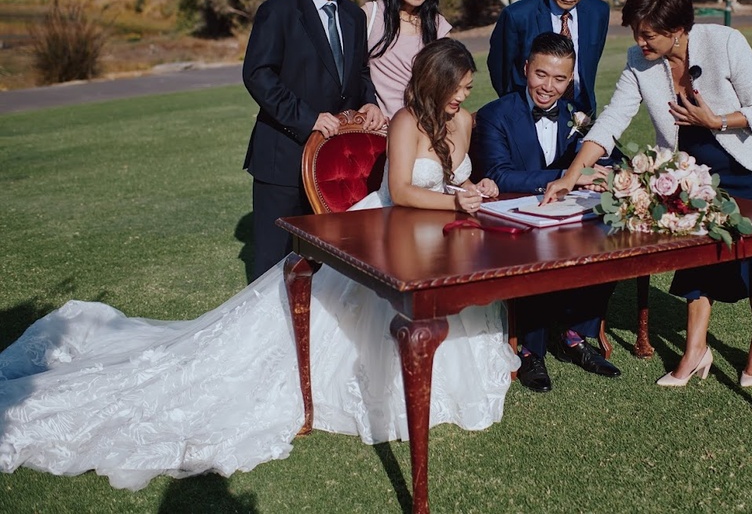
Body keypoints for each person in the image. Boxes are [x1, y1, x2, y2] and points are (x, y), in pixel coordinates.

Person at [0, 38, 517, 490]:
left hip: (441, 235)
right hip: (384, 230)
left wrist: (476, 190)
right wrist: (456, 202)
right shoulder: (406, 122)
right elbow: (402, 190)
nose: (463, 98)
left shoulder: (465, 120)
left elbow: (454, 180)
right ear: (434, 82)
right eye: (458, 87)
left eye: (468, 89)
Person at [543, 0, 752, 389]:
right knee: (694, 244)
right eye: (636, 32)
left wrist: (717, 121)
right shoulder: (640, 61)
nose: (640, 41)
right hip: (692, 167)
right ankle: (695, 349)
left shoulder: (725, 41)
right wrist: (573, 174)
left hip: (750, 160)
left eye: (649, 34)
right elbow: (613, 120)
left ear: (677, 31)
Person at [472, 32, 619, 392]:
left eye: (559, 79)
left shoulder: (578, 115)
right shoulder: (496, 114)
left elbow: (607, 157)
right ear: (526, 69)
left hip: (565, 216)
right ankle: (530, 351)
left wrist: (608, 172)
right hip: (512, 219)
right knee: (537, 251)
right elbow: (498, 174)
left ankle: (576, 335)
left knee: (612, 240)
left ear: (570, 81)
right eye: (541, 74)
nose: (548, 87)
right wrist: (571, 177)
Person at [243, 0, 385, 278]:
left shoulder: (353, 16)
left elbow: (361, 72)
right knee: (275, 265)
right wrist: (307, 118)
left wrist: (369, 102)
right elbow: (258, 74)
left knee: (332, 264)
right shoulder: (277, 12)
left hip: (337, 165)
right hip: (283, 159)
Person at [487, 0, 610, 117]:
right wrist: (521, 108)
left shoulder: (599, 12)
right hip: (529, 115)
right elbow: (500, 71)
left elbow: (590, 60)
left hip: (582, 114)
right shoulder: (517, 16)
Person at [363, 0, 453, 119]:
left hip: (425, 125)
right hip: (380, 129)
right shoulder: (371, 15)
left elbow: (448, 81)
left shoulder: (438, 26)